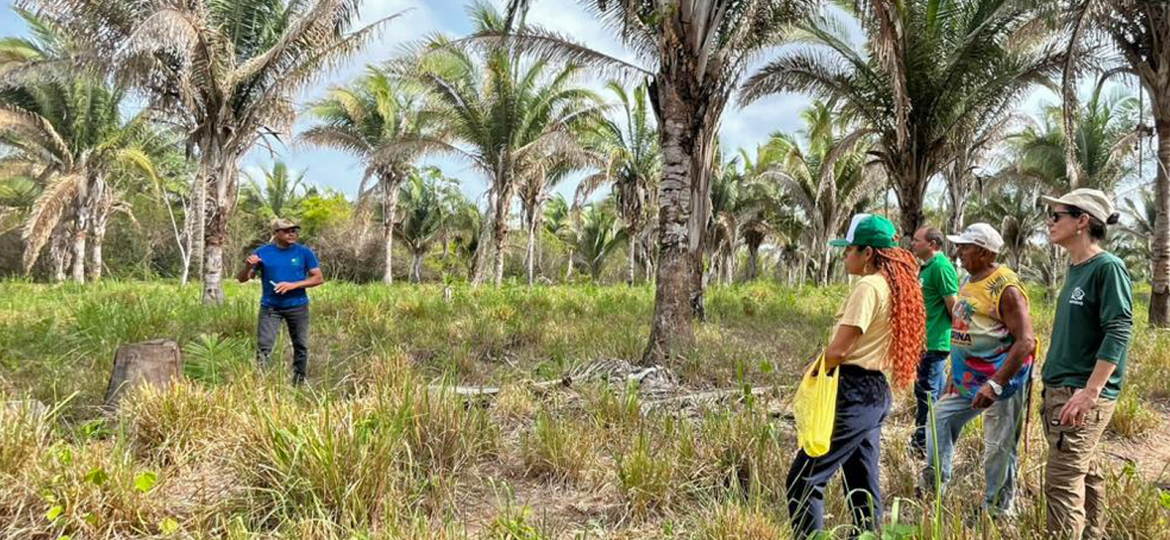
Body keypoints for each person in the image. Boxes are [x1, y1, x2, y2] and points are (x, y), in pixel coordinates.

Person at [786, 214, 925, 539]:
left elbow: (838, 351)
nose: (845, 255)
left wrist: (812, 374)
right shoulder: (896, 287)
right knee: (862, 487)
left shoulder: (868, 286)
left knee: (803, 481)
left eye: (849, 249)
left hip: (852, 392)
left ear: (868, 253)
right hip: (876, 392)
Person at [920, 223, 1035, 516]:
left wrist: (995, 384)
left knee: (998, 446)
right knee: (938, 420)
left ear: (984, 252)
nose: (958, 253)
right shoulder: (970, 280)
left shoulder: (1006, 287)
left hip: (1001, 381)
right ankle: (934, 489)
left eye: (965, 247)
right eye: (958, 246)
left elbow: (1025, 341)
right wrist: (952, 376)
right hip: (967, 379)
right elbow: (965, 329)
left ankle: (997, 511)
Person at [1040, 189, 1132, 540]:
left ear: (1082, 221)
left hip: (1079, 394)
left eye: (1057, 215)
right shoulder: (1076, 269)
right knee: (1084, 473)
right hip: (1062, 390)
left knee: (1062, 484)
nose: (1050, 221)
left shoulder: (1107, 267)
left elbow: (1120, 328)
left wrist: (1090, 391)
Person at [237, 218, 324, 385]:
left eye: (294, 230)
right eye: (286, 230)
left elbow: (318, 278)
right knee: (264, 347)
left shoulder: (304, 252)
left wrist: (293, 285)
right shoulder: (263, 252)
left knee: (301, 346)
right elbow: (242, 279)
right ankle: (261, 384)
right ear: (276, 233)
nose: (292, 233)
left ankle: (298, 383)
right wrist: (248, 266)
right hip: (271, 308)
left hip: (297, 306)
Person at [909, 226, 959, 455]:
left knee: (926, 394)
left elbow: (954, 308)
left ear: (932, 244)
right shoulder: (926, 268)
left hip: (935, 342)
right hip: (924, 341)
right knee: (931, 395)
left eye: (917, 240)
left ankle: (922, 443)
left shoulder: (941, 268)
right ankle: (932, 441)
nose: (913, 244)